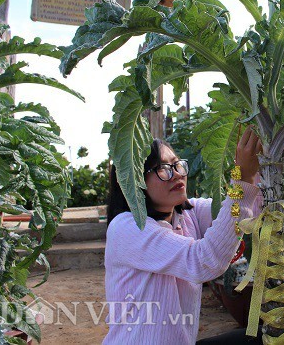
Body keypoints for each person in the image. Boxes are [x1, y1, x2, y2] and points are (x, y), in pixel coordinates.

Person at [103, 127, 264, 344]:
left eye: (177, 164)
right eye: (163, 169)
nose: (177, 173)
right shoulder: (127, 228)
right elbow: (203, 261)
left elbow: (251, 207)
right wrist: (242, 176)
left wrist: (259, 161)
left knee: (263, 337)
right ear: (134, 181)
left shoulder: (188, 214)